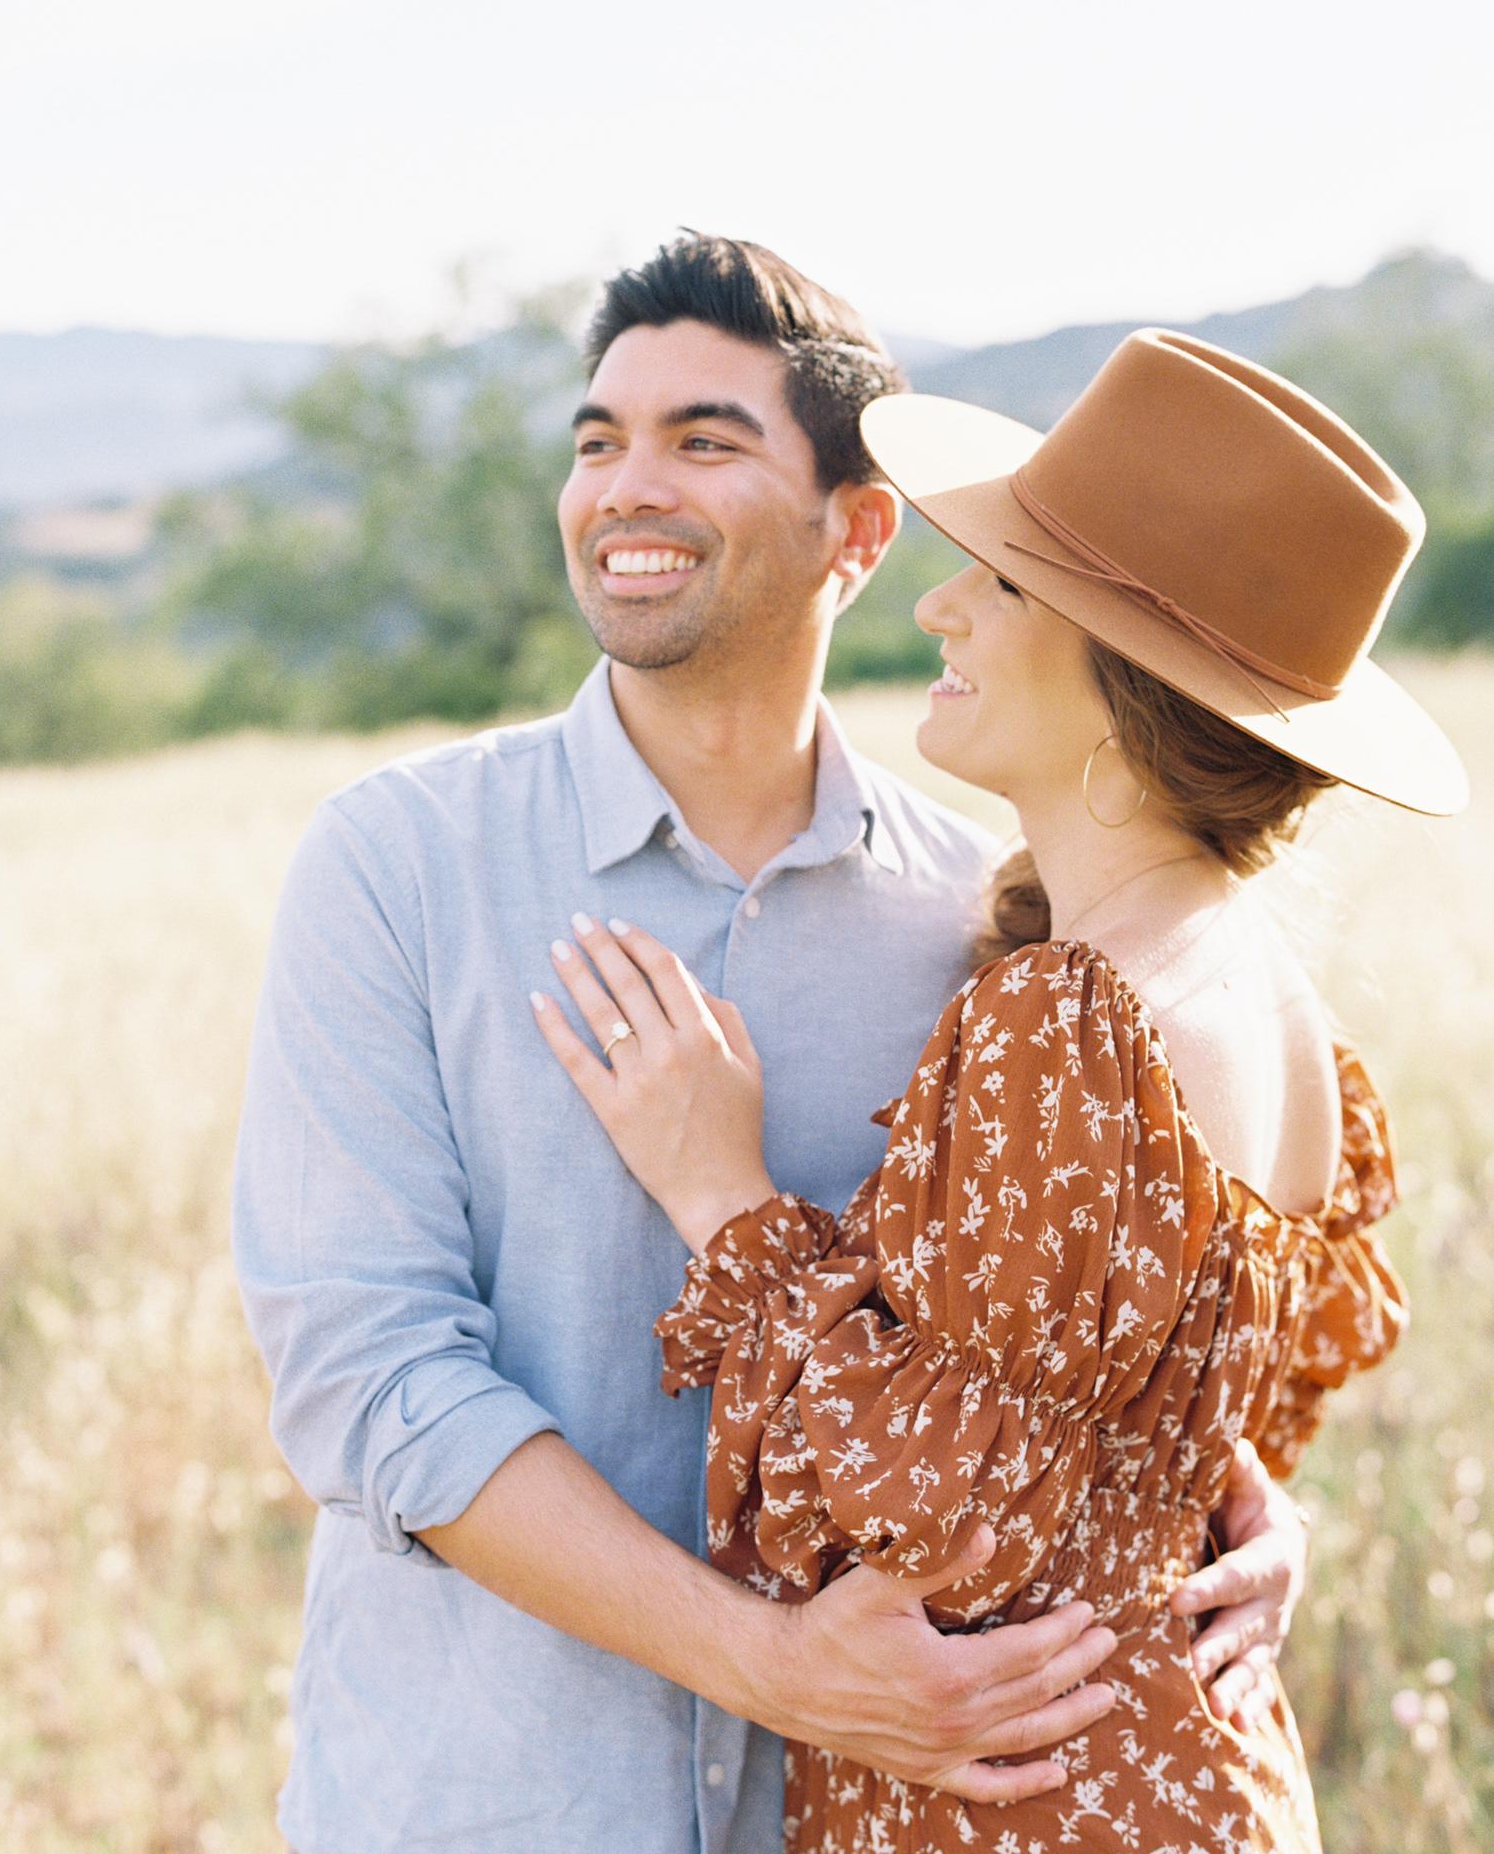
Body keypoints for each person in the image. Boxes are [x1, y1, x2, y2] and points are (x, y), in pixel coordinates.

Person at [233, 240, 1311, 1854]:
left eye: (702, 440)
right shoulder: (397, 865)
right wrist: (769, 1667)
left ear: (856, 533)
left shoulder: (985, 928)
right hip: (492, 1810)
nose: (625, 487)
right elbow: (365, 1375)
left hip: (875, 1814)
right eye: (598, 440)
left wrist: (1208, 1503)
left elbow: (1072, 1344)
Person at [529, 324, 1468, 1851]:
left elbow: (939, 1511)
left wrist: (721, 1196)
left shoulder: (1070, 1018)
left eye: (1004, 582)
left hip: (1035, 1788)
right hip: (1186, 1764)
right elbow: (1192, 1413)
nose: (940, 603)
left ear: (1127, 681)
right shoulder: (1269, 997)